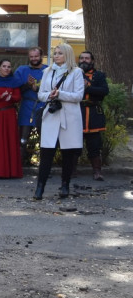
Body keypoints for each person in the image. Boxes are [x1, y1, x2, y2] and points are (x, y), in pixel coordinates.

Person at [33, 43, 85, 200]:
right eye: (54, 53)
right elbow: (41, 94)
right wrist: (50, 95)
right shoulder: (47, 71)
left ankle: (65, 185)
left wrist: (60, 94)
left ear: (67, 55)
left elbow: (78, 96)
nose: (56, 56)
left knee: (68, 153)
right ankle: (40, 187)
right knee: (46, 153)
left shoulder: (76, 72)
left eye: (60, 53)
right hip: (51, 115)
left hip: (69, 117)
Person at [14, 47, 48, 165]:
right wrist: (28, 85)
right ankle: (18, 166)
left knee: (45, 140)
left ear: (41, 57)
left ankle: (44, 166)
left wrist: (37, 88)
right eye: (31, 57)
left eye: (36, 56)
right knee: (23, 139)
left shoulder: (48, 70)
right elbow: (16, 89)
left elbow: (53, 89)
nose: (33, 59)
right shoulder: (22, 70)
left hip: (43, 106)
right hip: (27, 105)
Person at [79, 51, 109, 182]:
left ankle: (97, 171)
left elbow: (103, 91)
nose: (84, 60)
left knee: (94, 145)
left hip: (93, 113)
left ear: (92, 61)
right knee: (73, 144)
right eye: (82, 58)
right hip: (77, 112)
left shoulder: (99, 75)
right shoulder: (73, 73)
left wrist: (88, 87)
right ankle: (71, 171)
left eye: (87, 58)